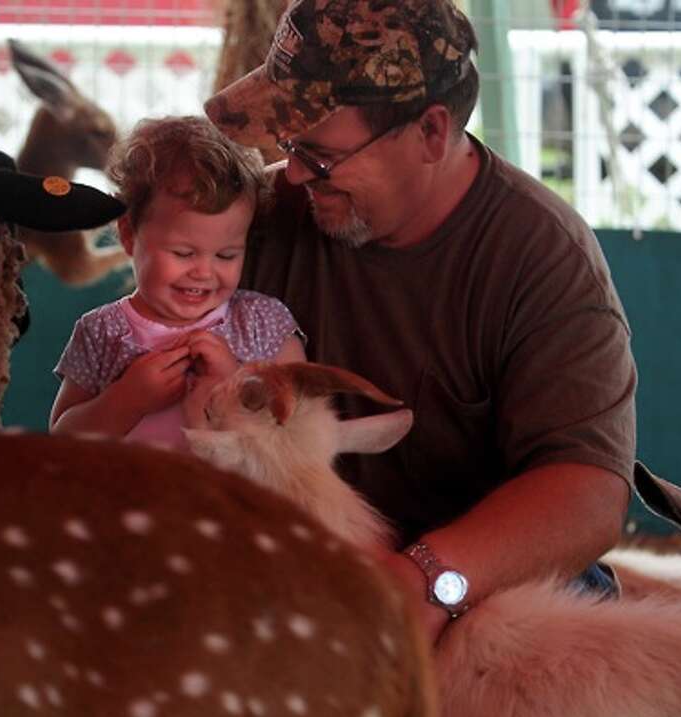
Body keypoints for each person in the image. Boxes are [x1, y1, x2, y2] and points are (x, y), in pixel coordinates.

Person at [204, 0, 637, 643]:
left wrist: (426, 579)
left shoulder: (541, 256)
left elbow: (587, 492)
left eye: (319, 155)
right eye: (289, 146)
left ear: (432, 132)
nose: (293, 173)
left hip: (478, 580)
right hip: (295, 562)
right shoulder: (254, 226)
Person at [49, 116, 307, 449]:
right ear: (129, 235)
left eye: (226, 255)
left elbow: (300, 427)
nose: (204, 272)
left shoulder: (262, 322)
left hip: (232, 499)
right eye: (184, 253)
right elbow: (62, 440)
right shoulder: (101, 332)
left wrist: (235, 384)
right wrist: (125, 400)